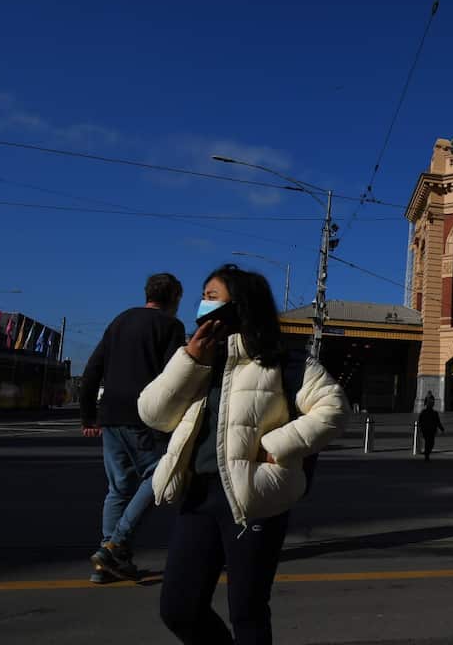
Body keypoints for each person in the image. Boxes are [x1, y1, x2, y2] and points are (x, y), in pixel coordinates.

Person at [140, 264, 345, 644]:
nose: (203, 305)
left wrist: (275, 444)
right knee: (179, 608)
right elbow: (153, 413)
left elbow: (333, 410)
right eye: (202, 297)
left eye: (211, 297)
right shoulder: (199, 358)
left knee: (247, 611)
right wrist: (189, 360)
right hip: (198, 495)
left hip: (255, 497)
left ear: (240, 305)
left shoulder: (285, 362)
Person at [80, 272, 185, 584]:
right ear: (174, 298)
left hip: (110, 412)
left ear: (147, 293)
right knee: (158, 475)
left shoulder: (121, 320)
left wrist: (89, 415)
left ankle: (106, 561)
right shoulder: (171, 326)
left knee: (119, 487)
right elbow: (173, 377)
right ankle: (118, 544)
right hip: (143, 414)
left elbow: (92, 369)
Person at [417, 395, 444, 461]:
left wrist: (441, 428)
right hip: (427, 430)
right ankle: (427, 455)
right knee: (429, 442)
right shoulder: (424, 412)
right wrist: (419, 428)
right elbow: (420, 421)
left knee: (430, 443)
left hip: (430, 430)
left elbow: (438, 422)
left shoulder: (434, 413)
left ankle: (427, 453)